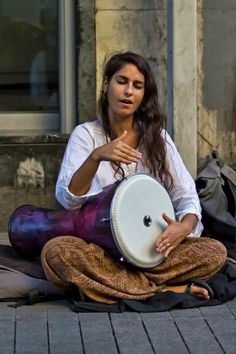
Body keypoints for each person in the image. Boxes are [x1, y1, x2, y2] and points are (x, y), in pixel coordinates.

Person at [41, 51, 227, 304]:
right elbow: (69, 200)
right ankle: (165, 290)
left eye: (137, 86)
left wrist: (182, 228)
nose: (129, 91)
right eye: (122, 81)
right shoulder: (86, 135)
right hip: (103, 251)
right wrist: (96, 157)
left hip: (153, 251)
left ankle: (121, 286)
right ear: (106, 85)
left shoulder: (157, 138)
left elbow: (186, 196)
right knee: (57, 252)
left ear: (143, 96)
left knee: (214, 252)